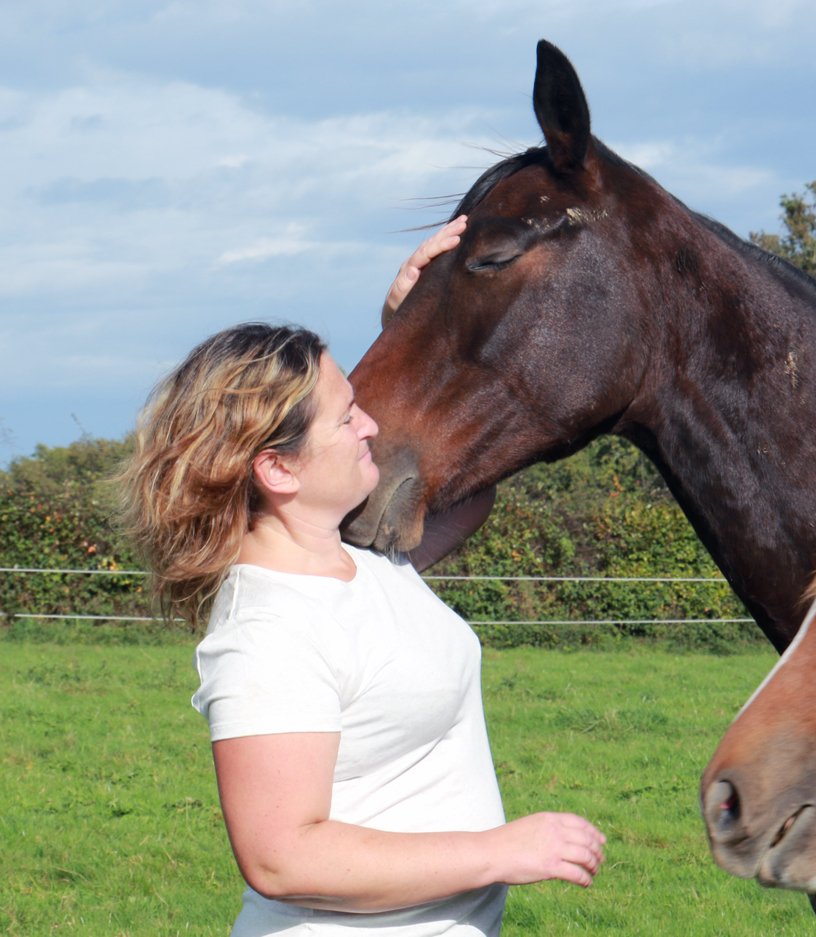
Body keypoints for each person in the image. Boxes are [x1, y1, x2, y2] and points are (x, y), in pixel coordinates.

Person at [119, 219, 605, 936]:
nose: (371, 425)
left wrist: (411, 325)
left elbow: (469, 492)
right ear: (278, 469)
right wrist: (499, 851)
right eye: (347, 418)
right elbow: (282, 857)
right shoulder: (270, 631)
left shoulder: (360, 560)